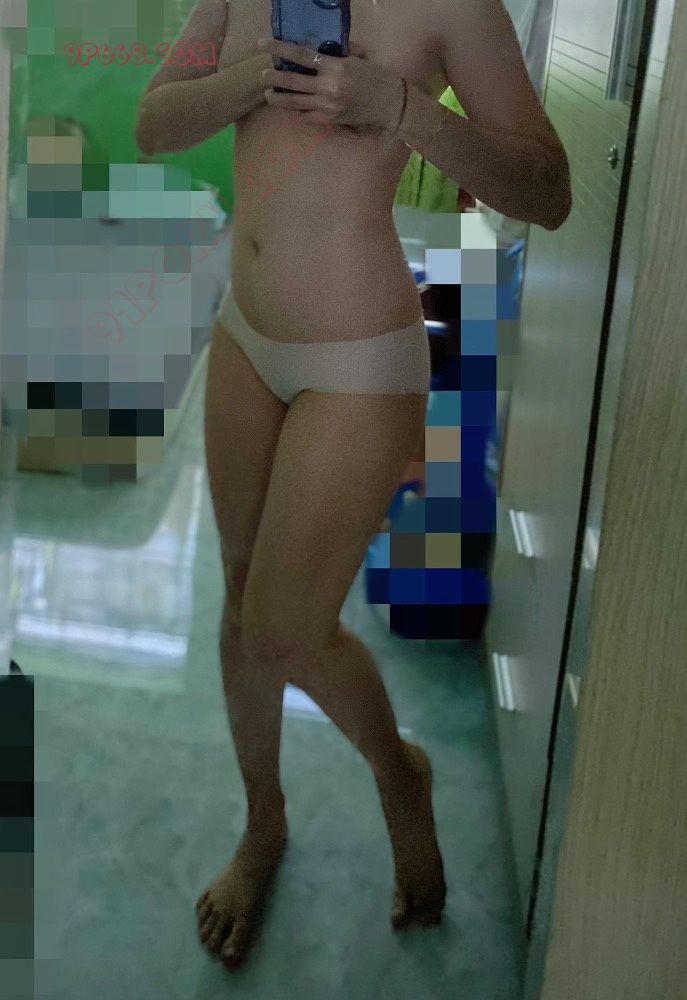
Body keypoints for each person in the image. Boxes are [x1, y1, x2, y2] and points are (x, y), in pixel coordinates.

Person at [135, 0, 571, 970]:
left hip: (358, 359)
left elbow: (547, 191)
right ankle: (263, 823)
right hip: (245, 336)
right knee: (242, 600)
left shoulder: (455, 6)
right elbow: (154, 123)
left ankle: (398, 770)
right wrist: (249, 78)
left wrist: (401, 107)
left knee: (284, 627)